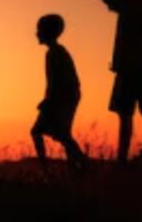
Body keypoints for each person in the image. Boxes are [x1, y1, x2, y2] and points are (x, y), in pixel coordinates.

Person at [51, 0, 142, 162]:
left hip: (131, 69)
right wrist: (140, 52)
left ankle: (123, 160)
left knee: (126, 115)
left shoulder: (127, 4)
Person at [31, 14, 87, 170]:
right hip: (65, 97)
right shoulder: (58, 51)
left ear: (47, 32)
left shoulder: (55, 53)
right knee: (62, 135)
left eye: (39, 30)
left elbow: (56, 81)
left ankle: (47, 172)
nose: (37, 34)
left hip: (62, 98)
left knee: (39, 132)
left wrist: (49, 100)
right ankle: (78, 167)